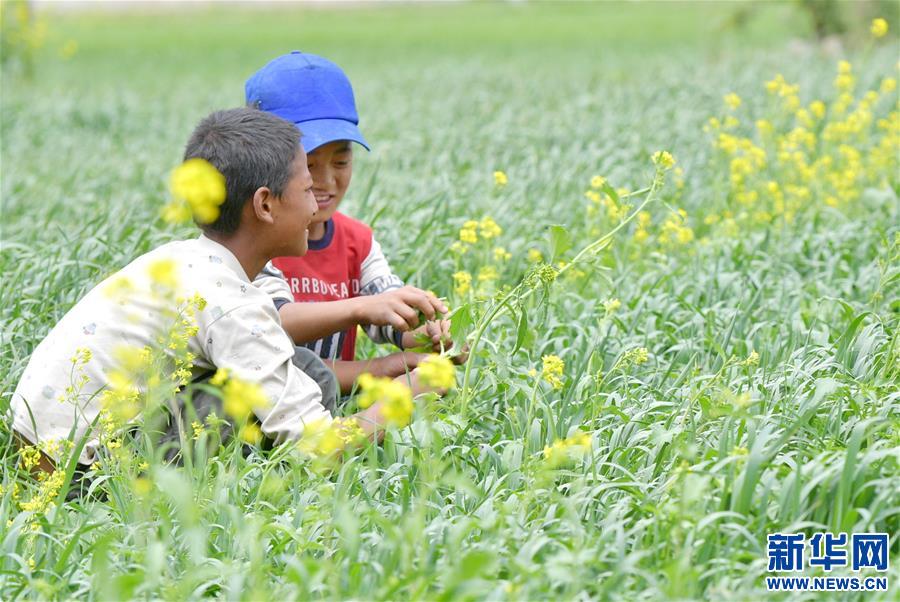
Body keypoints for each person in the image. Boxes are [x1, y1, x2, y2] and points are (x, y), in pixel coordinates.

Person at [10, 107, 394, 471]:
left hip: (42, 441)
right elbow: (320, 447)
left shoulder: (185, 258)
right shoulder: (230, 305)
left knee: (304, 368)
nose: (316, 206)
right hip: (81, 471)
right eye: (307, 189)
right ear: (264, 204)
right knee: (239, 404)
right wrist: (403, 398)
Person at [246, 52, 464, 395]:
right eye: (309, 165)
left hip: (333, 403)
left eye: (342, 161)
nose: (327, 181)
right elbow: (275, 323)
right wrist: (370, 340)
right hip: (265, 404)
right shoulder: (250, 239)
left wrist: (427, 331)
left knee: (428, 385)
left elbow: (387, 304)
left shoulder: (355, 241)